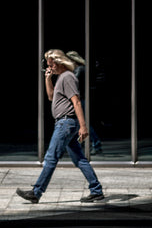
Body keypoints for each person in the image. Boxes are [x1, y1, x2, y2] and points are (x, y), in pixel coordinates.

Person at [15, 49, 104, 204]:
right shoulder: (61, 78)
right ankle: (96, 190)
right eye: (49, 65)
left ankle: (36, 192)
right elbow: (51, 97)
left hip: (65, 123)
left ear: (60, 62)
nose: (50, 67)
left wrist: (83, 127)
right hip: (65, 123)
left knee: (51, 157)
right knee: (80, 159)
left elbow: (76, 102)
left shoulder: (67, 77)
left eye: (52, 64)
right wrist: (47, 79)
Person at [66, 50, 103, 155]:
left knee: (84, 123)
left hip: (81, 99)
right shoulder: (81, 69)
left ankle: (96, 144)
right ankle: (82, 144)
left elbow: (73, 83)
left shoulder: (80, 69)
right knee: (80, 123)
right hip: (82, 98)